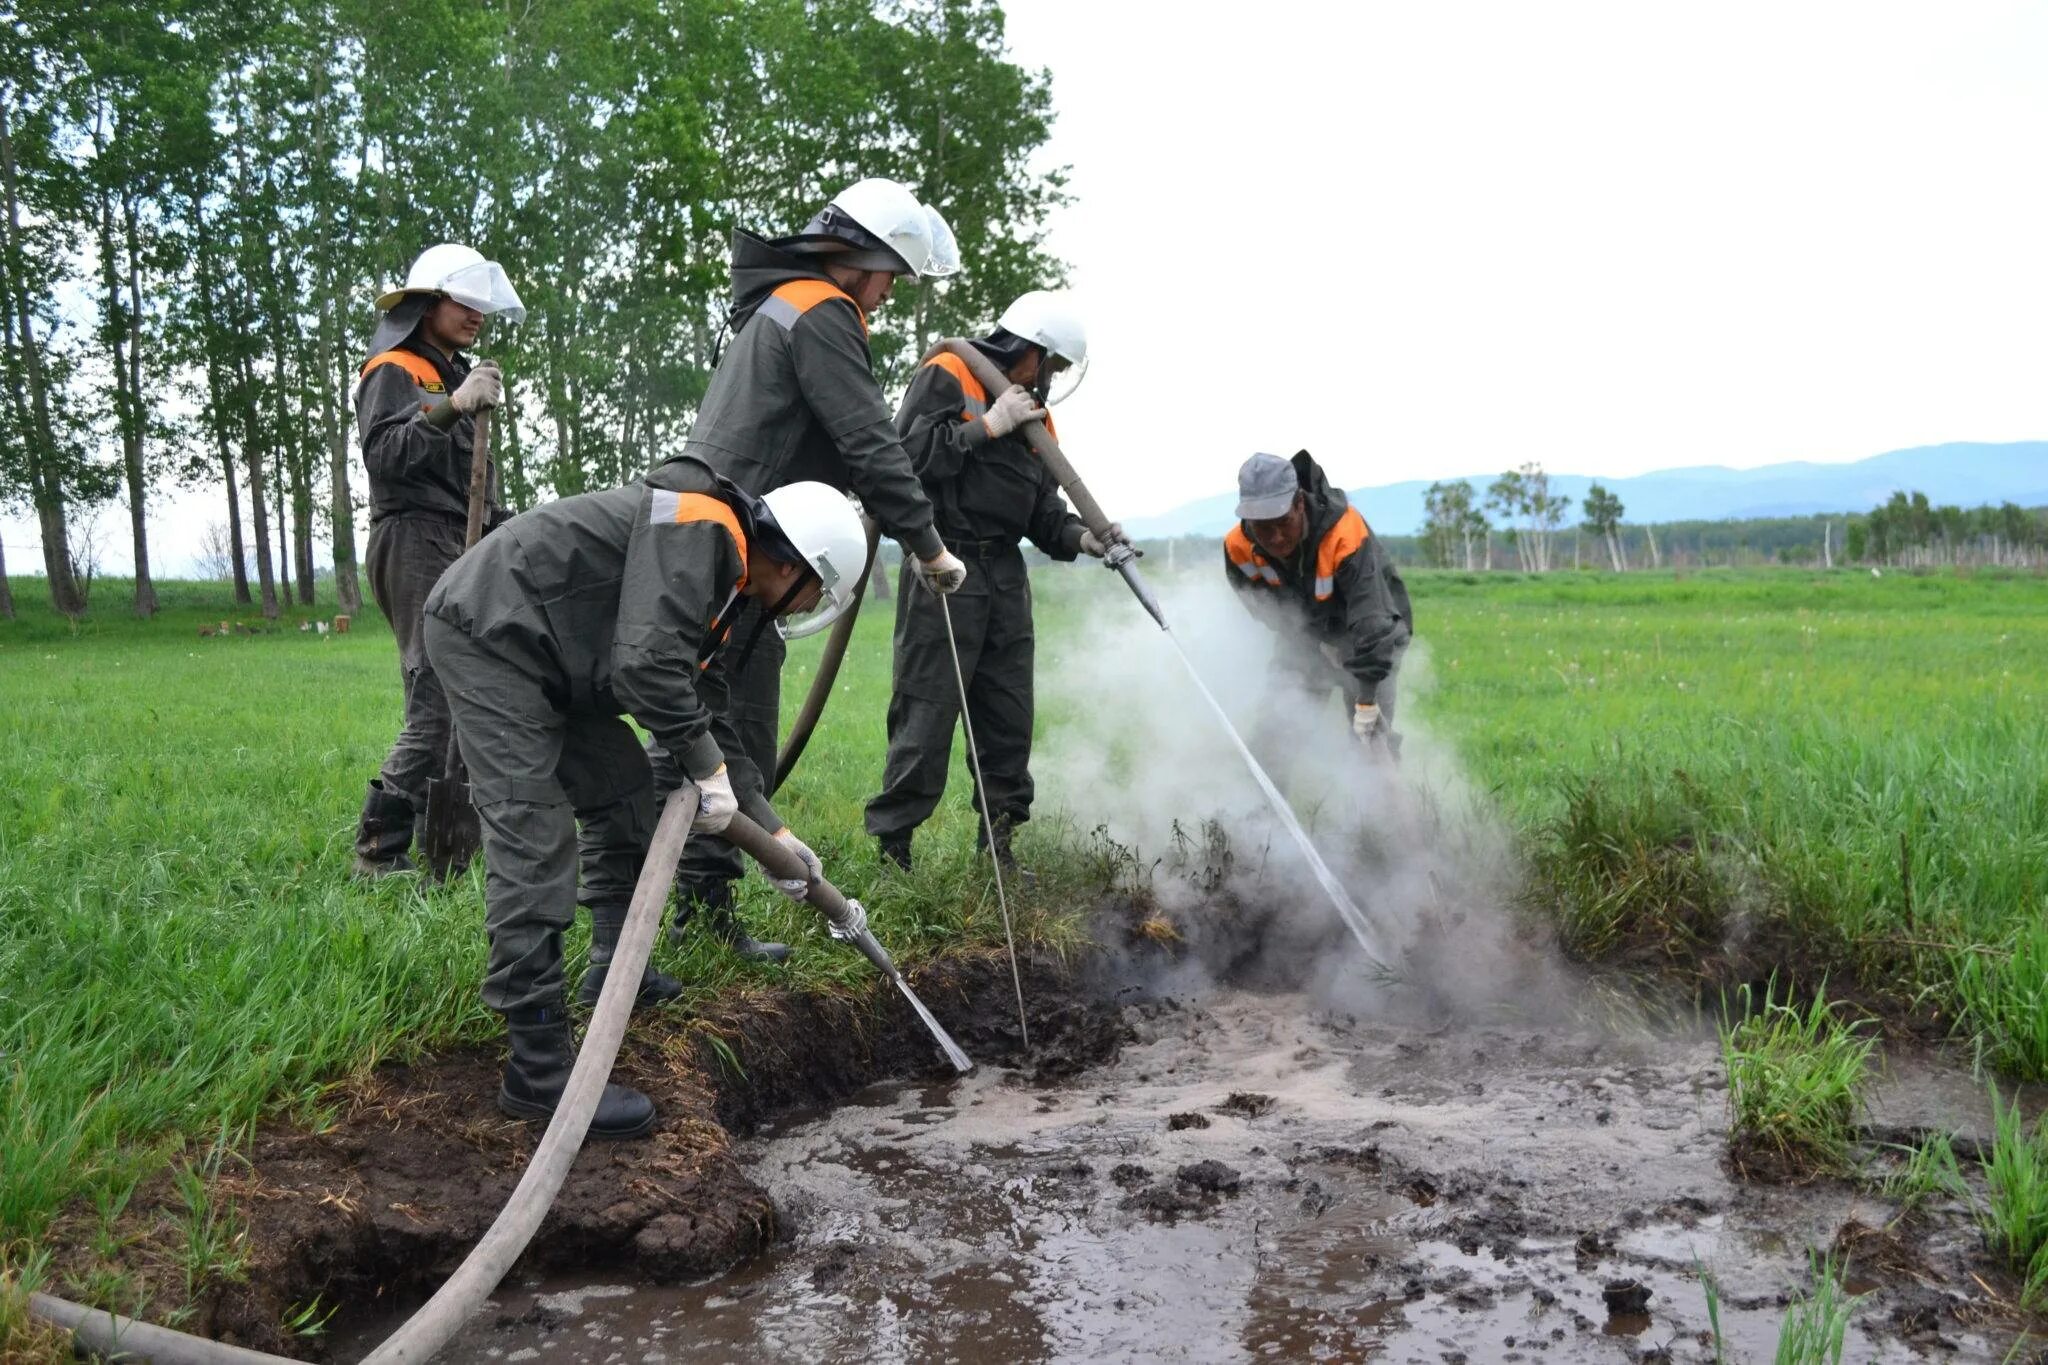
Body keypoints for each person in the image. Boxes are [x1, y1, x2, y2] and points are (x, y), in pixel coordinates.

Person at [422, 459, 869, 1137]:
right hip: (493, 632)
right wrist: (703, 763)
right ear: (798, 565)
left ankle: (611, 969)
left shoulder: (730, 578)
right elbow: (645, 669)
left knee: (626, 790)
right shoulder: (703, 528)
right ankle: (537, 1070)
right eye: (816, 594)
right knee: (533, 830)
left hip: (551, 656)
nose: (809, 608)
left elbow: (709, 711)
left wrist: (773, 834)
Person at [646, 176, 970, 957]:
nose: (890, 294)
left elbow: (830, 441)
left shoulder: (779, 304)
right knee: (723, 730)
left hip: (734, 535)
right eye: (891, 274)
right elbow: (867, 438)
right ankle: (694, 915)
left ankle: (699, 909)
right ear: (858, 257)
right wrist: (927, 543)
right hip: (743, 544)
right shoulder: (823, 311)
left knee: (724, 727)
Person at [863, 290, 1118, 871]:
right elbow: (905, 458)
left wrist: (1085, 537)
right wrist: (987, 428)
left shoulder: (1038, 417)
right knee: (926, 709)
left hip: (1005, 574)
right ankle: (894, 849)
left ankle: (998, 846)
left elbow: (1041, 511)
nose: (1049, 380)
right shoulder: (950, 371)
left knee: (1007, 715)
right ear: (1026, 349)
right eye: (1049, 365)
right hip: (942, 564)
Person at [350, 244, 524, 878]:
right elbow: (386, 455)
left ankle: (440, 838)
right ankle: (378, 849)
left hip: (458, 539)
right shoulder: (393, 369)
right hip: (413, 537)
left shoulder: (452, 373)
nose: (476, 314)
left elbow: (473, 487)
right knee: (438, 694)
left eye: (481, 304)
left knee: (454, 686)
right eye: (462, 300)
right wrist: (451, 407)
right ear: (427, 303)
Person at [1224, 450, 1413, 754]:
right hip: (1307, 639)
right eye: (1262, 527)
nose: (1275, 538)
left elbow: (1373, 622)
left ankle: (1386, 800)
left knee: (1370, 739)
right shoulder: (1237, 548)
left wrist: (1366, 700)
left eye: (1282, 522)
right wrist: (1314, 644)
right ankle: (1262, 801)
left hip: (1373, 638)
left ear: (1299, 503)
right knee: (1274, 730)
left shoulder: (1344, 533)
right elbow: (1269, 612)